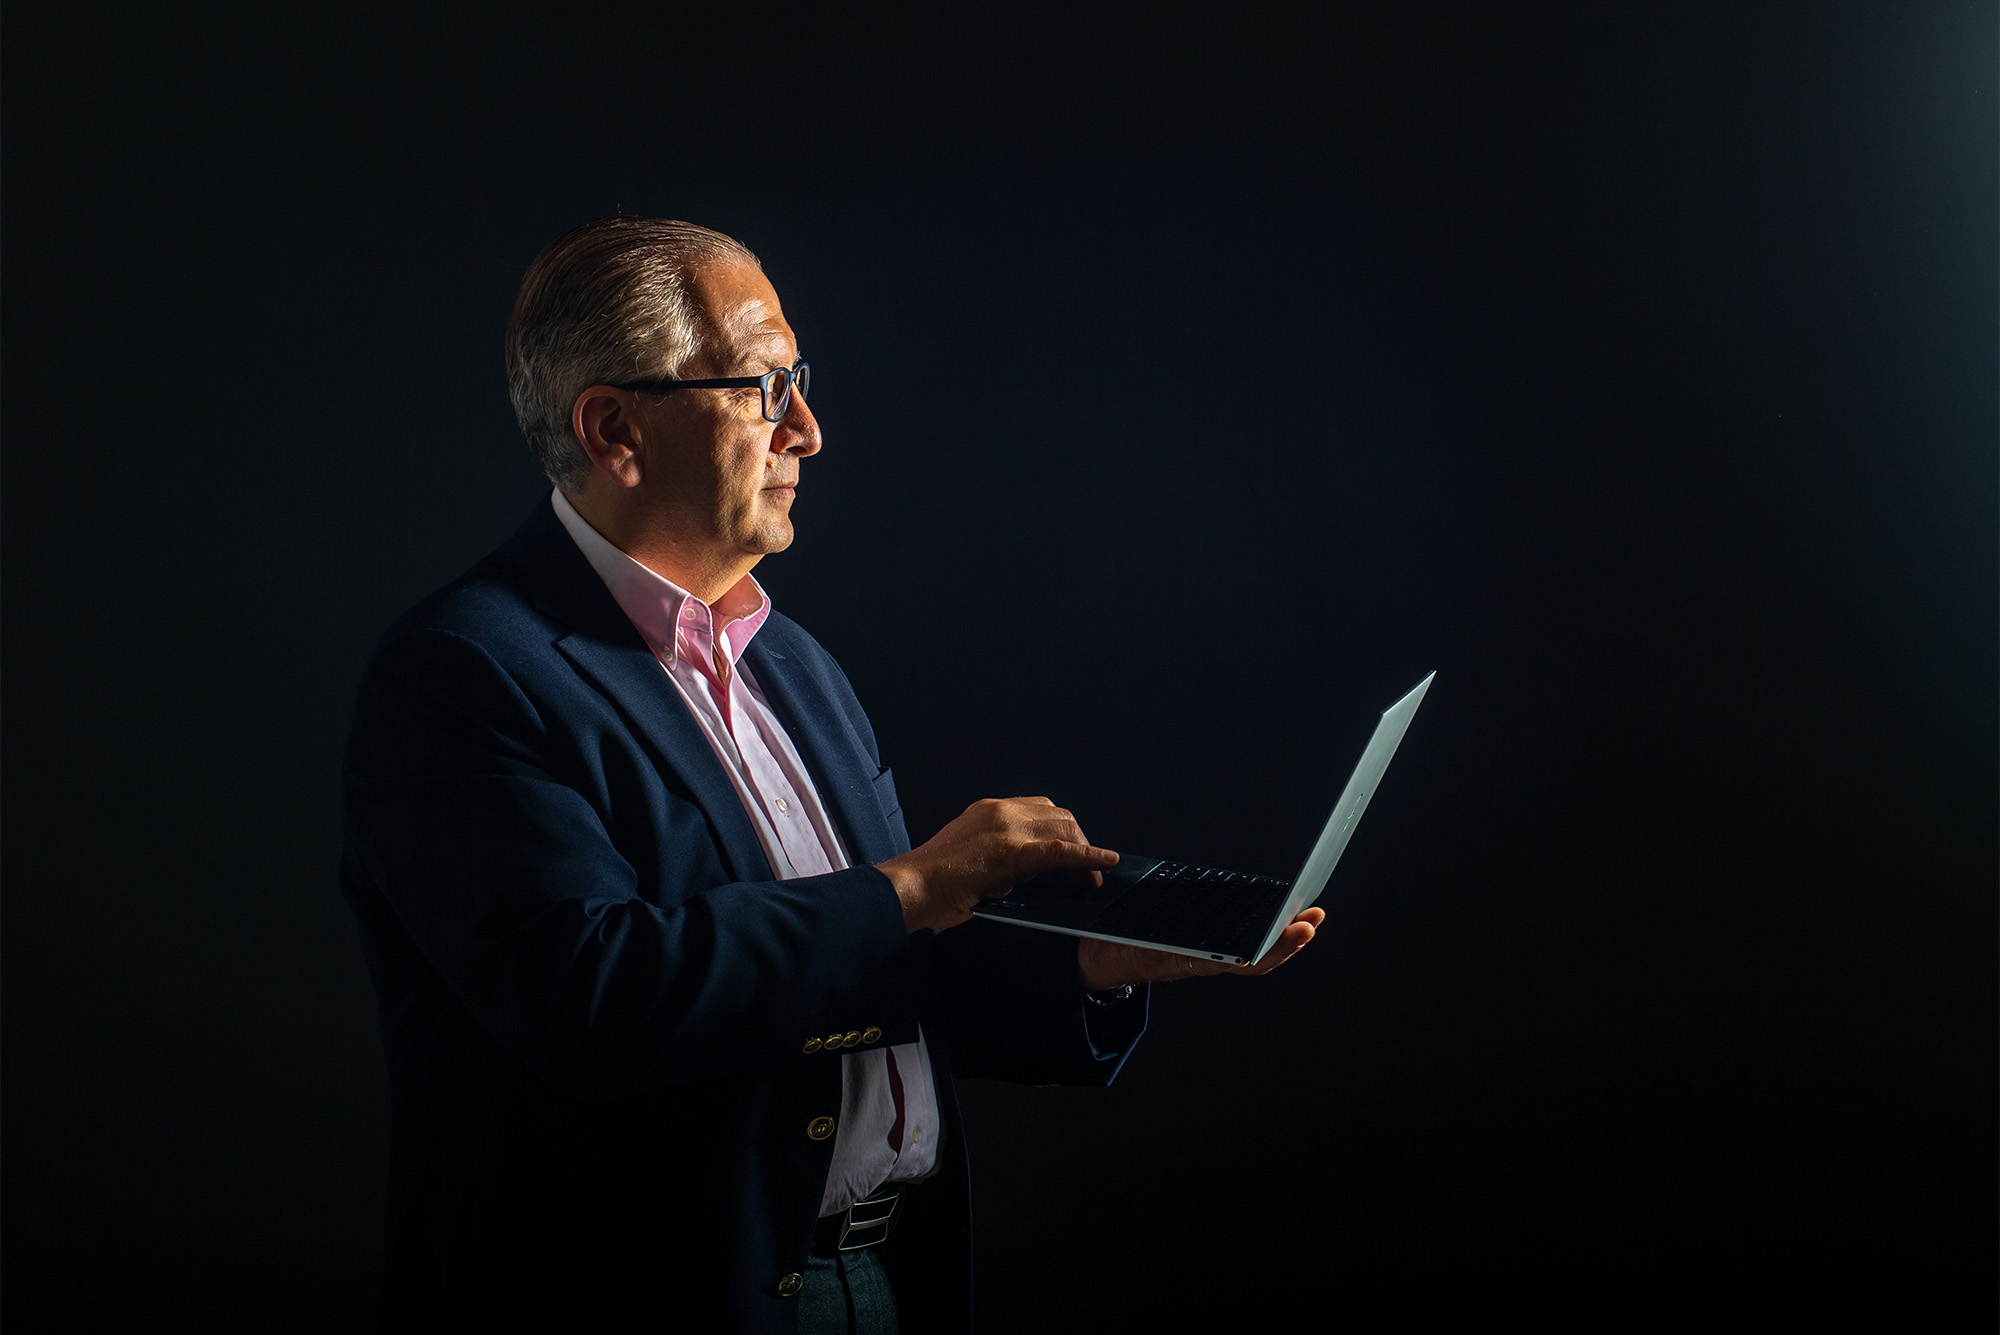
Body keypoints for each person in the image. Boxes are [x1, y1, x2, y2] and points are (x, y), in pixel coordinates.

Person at [339, 216, 1325, 1333]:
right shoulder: (464, 675)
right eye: (762, 388)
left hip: (876, 1282)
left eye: (797, 382)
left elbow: (851, 985)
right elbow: (594, 999)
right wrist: (915, 886)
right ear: (615, 429)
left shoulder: (791, 664)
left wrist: (1089, 962)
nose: (806, 429)